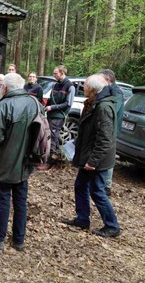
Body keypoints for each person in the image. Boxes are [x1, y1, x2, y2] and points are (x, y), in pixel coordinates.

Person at [0, 73, 38, 252]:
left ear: (5, 87)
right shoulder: (34, 103)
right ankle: (19, 240)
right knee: (21, 199)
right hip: (26, 162)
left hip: (7, 162)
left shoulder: (4, 105)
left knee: (3, 199)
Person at [61, 74, 121, 238]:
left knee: (97, 191)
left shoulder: (103, 107)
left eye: (85, 85)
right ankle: (82, 219)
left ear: (92, 89)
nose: (83, 87)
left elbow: (105, 139)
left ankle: (112, 225)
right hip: (89, 155)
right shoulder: (94, 103)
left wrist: (93, 161)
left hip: (97, 160)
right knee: (80, 185)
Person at [99, 69, 124, 196]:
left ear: (108, 80)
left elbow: (111, 112)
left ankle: (107, 186)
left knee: (109, 156)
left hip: (112, 131)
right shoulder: (108, 91)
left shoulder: (116, 93)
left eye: (100, 79)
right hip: (107, 130)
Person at [45, 65, 75, 160]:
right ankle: (57, 156)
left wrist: (52, 107)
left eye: (55, 73)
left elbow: (68, 104)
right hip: (50, 114)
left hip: (59, 116)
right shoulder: (55, 84)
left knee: (53, 135)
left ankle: (50, 158)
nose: (53, 75)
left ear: (62, 73)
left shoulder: (70, 86)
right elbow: (51, 99)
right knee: (52, 135)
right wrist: (45, 105)